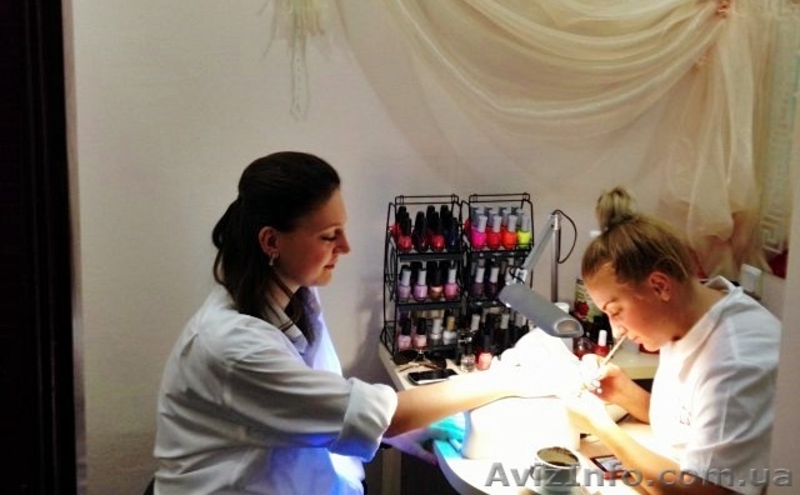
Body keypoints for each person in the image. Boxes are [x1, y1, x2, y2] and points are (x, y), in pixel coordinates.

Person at [152, 151, 537, 495]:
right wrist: (510, 380)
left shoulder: (296, 298)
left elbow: (320, 394)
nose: (346, 247)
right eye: (328, 236)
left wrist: (406, 429)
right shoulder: (232, 348)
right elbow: (384, 417)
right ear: (271, 242)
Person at [565, 186, 780, 495]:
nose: (616, 331)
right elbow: (689, 427)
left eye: (615, 311)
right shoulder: (684, 318)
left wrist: (603, 427)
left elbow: (708, 492)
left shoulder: (735, 363)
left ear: (659, 286)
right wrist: (623, 392)